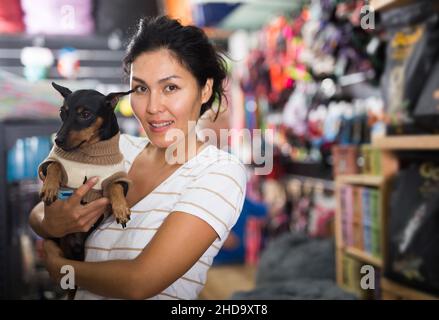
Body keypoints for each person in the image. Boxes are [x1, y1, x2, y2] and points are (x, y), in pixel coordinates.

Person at [28, 15, 247, 300]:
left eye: (170, 87)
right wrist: (50, 224)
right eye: (141, 89)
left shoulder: (220, 172)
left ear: (205, 89)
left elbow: (139, 282)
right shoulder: (115, 148)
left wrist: (63, 270)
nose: (153, 107)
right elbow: (40, 211)